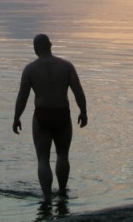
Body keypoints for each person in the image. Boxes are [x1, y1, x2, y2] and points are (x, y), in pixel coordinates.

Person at [13, 34, 88, 200]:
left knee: (43, 159)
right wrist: (83, 111)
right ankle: (62, 193)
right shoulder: (66, 66)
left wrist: (16, 117)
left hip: (42, 115)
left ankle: (47, 198)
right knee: (63, 155)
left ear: (35, 48)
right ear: (50, 45)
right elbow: (78, 91)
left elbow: (22, 97)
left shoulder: (30, 69)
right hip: (62, 114)